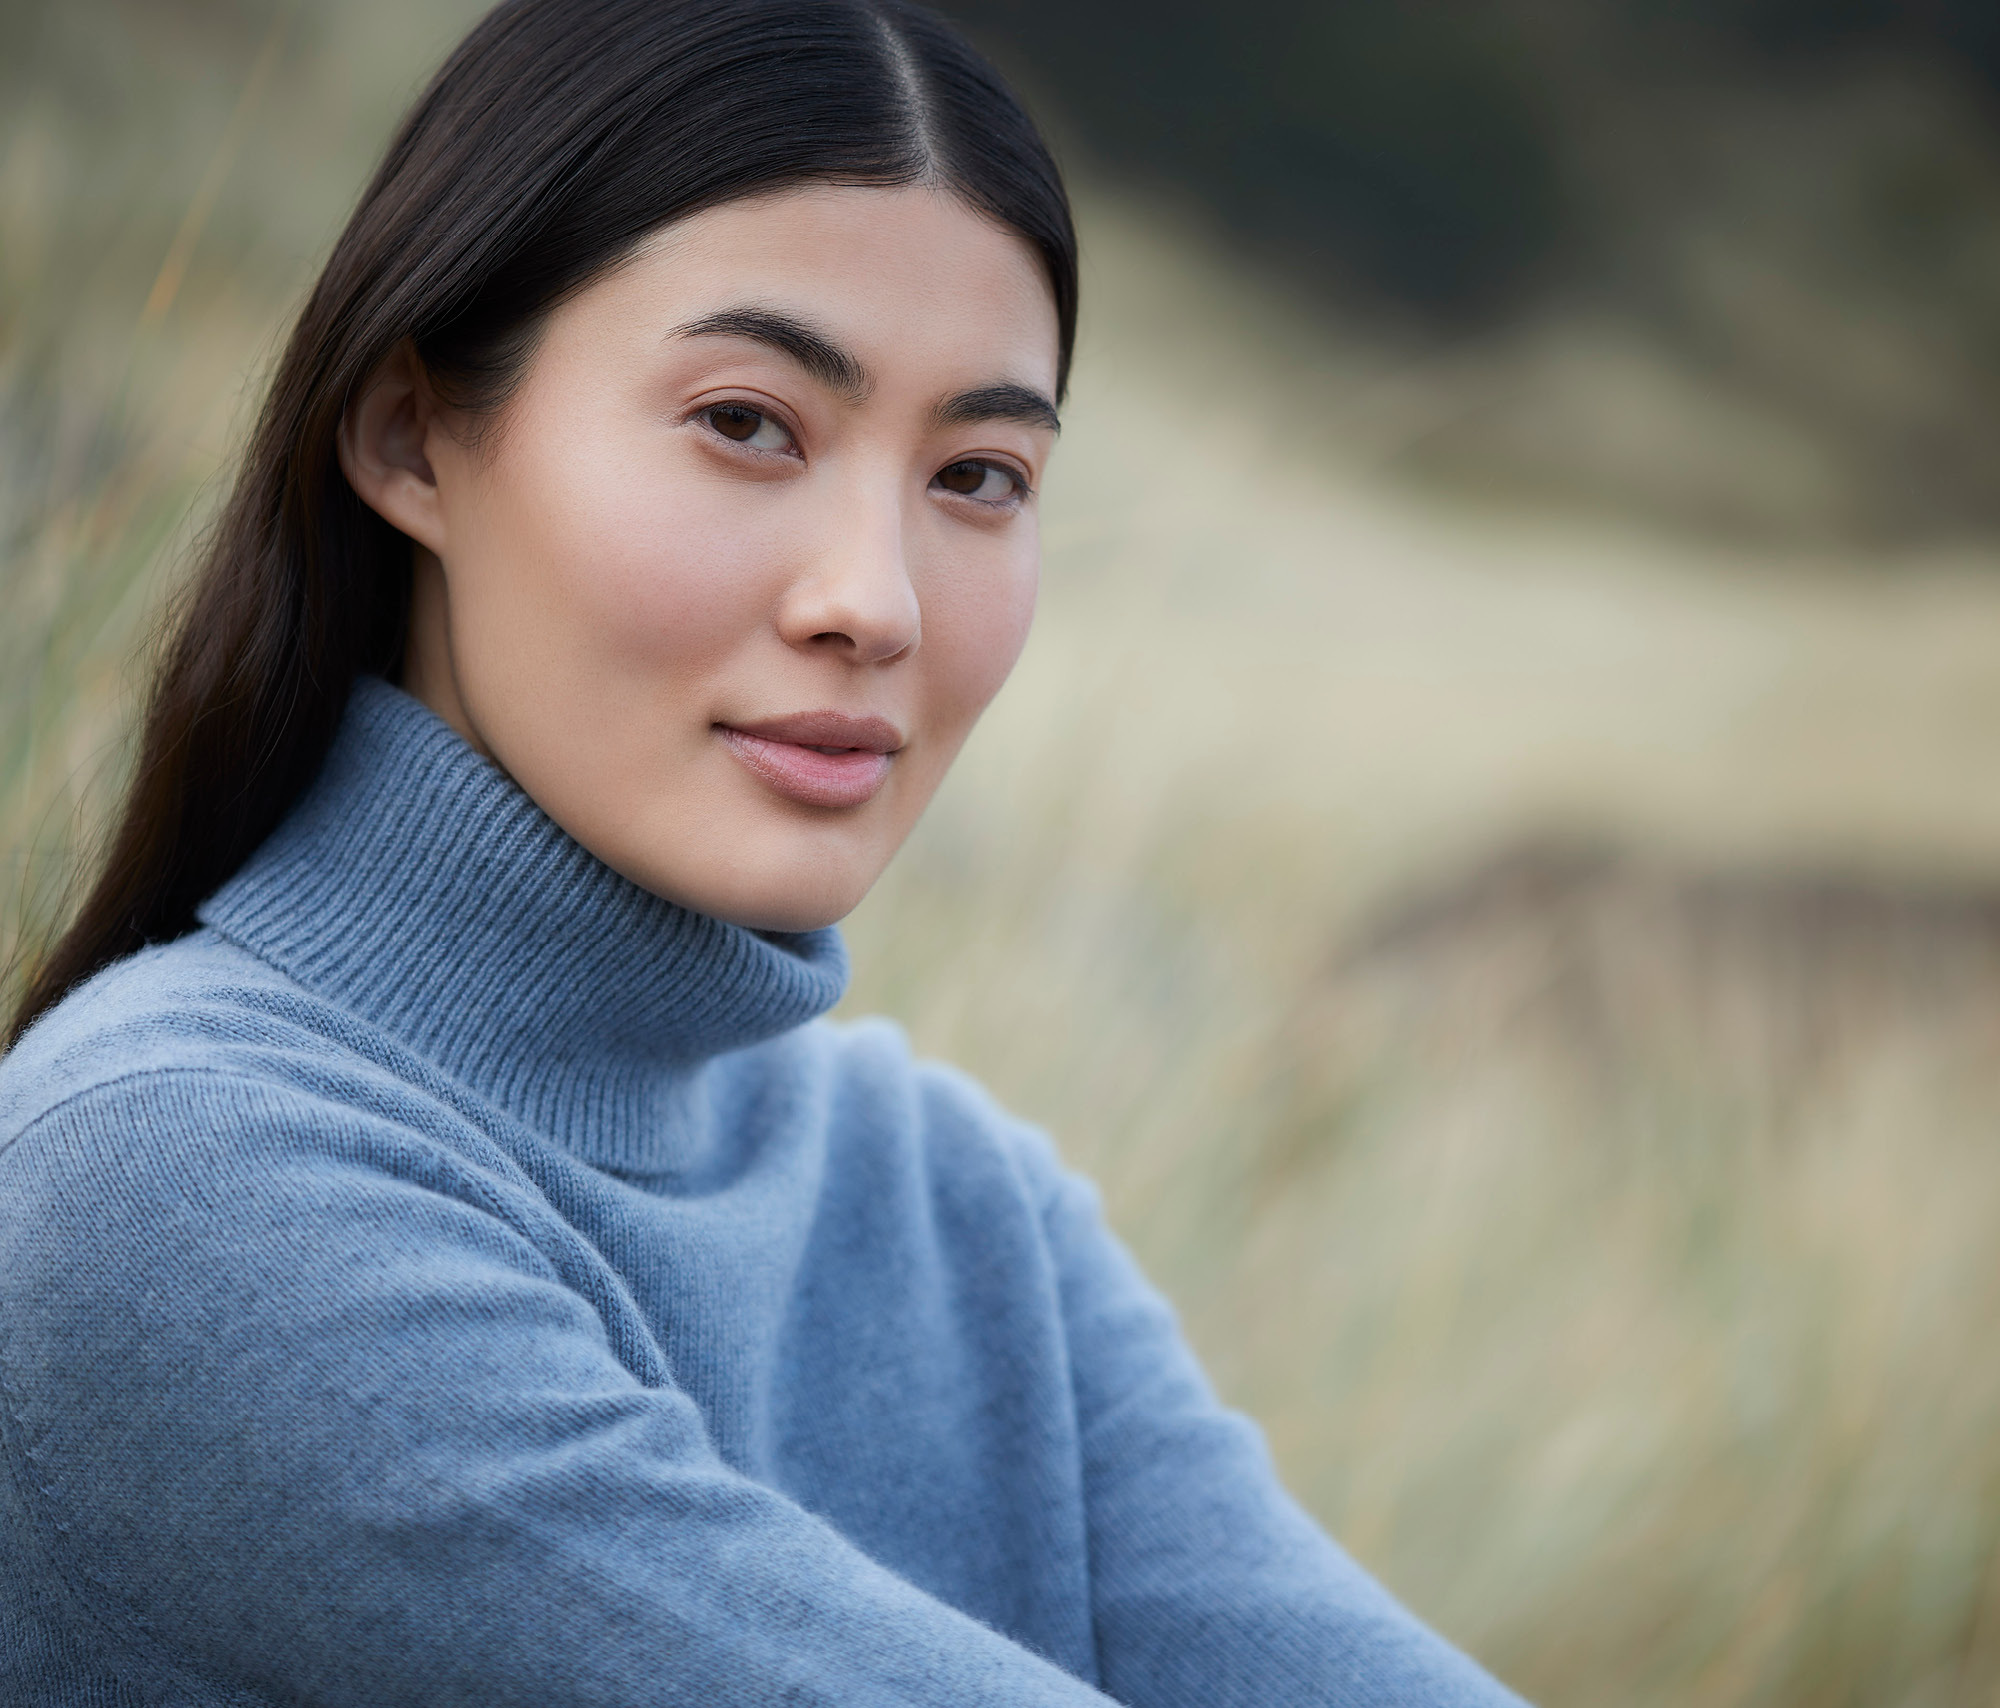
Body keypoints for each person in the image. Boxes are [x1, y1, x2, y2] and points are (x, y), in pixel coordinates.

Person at [0, 2, 1529, 1702]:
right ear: (409, 437)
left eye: (979, 474)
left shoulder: (954, 1204)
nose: (872, 600)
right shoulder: (169, 1177)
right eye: (746, 423)